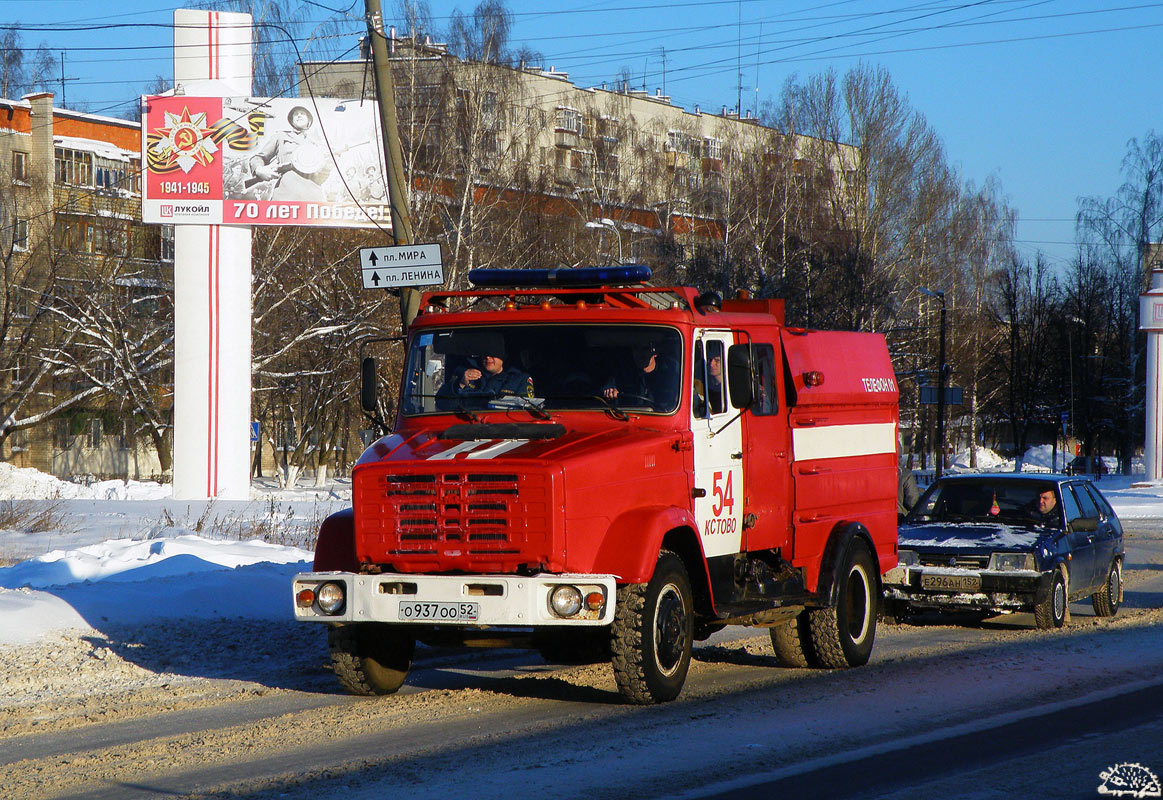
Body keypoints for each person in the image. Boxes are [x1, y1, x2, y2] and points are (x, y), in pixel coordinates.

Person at [246, 106, 330, 202]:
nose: (299, 115)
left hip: (313, 196)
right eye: (296, 114)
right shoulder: (281, 136)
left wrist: (329, 164)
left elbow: (321, 177)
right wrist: (259, 170)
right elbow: (258, 158)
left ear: (309, 121)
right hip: (286, 195)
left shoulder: (316, 144)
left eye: (302, 114)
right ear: (292, 121)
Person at [436, 346, 533, 409]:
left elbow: (525, 411)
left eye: (493, 353)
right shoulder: (467, 376)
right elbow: (442, 404)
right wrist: (460, 384)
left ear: (503, 357)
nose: (487, 357)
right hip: (467, 429)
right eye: (485, 354)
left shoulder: (519, 379)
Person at [602, 341, 675, 410]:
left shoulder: (669, 375)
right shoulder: (623, 374)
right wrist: (611, 392)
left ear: (655, 352)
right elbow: (606, 389)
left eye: (645, 349)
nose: (639, 353)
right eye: (635, 348)